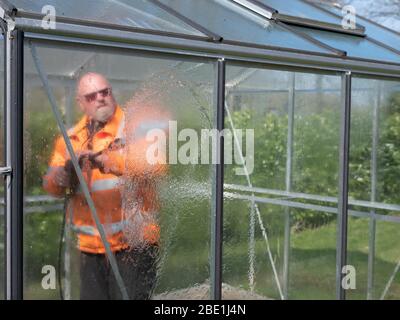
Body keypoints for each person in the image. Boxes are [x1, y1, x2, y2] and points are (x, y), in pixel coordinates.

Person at [43, 72, 168, 300]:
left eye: (105, 92)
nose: (100, 98)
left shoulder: (136, 124)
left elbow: (155, 165)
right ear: (81, 103)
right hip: (91, 250)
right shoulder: (70, 139)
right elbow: (50, 184)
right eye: (91, 96)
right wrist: (62, 176)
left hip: (134, 246)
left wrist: (104, 161)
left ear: (112, 93)